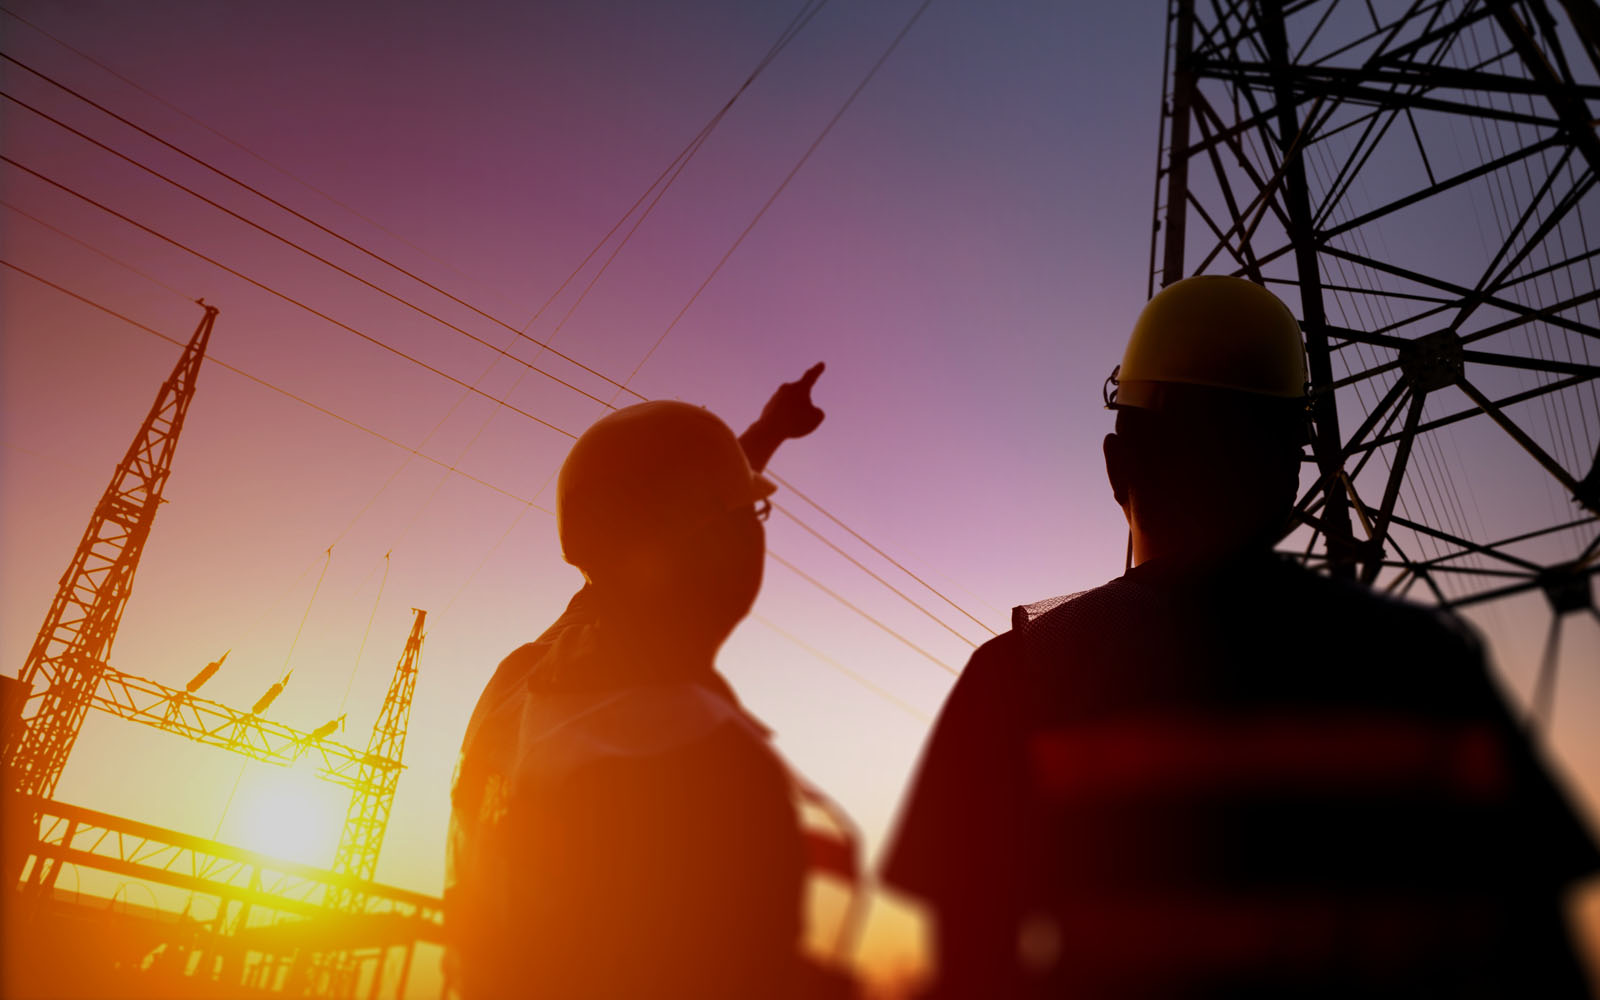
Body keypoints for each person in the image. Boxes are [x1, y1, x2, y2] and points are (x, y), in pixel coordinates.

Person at [883, 276, 1599, 997]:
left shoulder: (1014, 681)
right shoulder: (1433, 667)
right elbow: (1538, 962)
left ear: (1116, 464)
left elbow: (972, 970)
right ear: (1292, 472)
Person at [446, 365, 849, 999]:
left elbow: (649, 536)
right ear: (721, 545)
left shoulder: (524, 680)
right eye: (755, 515)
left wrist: (766, 434)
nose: (755, 530)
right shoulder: (704, 757)